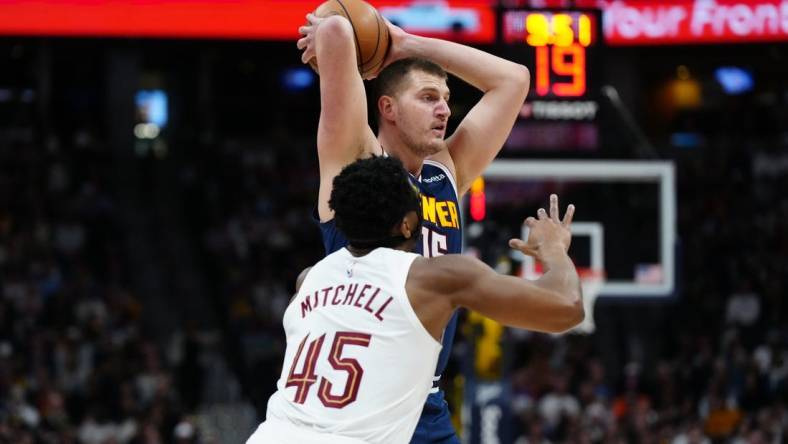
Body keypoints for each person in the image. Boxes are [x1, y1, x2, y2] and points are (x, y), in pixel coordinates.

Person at [297, 11, 530, 443]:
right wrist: (348, 41)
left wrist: (406, 44)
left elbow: (513, 79)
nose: (444, 109)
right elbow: (334, 28)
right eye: (427, 97)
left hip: (427, 403)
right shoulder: (359, 166)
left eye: (445, 98)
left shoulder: (445, 174)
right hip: (362, 408)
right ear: (387, 108)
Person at [246, 156, 582, 444]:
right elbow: (566, 309)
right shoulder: (433, 278)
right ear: (407, 225)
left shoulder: (309, 278)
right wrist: (552, 248)